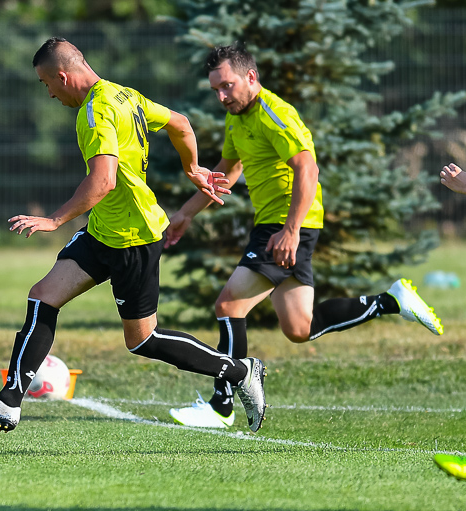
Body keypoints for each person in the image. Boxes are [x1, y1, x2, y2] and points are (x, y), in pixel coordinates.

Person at [0, 37, 267, 433]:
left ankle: (241, 371)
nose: (49, 94)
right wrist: (192, 168)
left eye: (47, 84)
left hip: (133, 237)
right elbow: (180, 123)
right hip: (104, 231)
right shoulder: (123, 94)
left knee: (142, 340)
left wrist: (55, 220)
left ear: (62, 76)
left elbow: (104, 181)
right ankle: (8, 403)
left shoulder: (95, 111)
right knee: (42, 296)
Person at [166, 44, 443, 429]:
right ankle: (391, 301)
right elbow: (227, 172)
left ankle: (221, 406)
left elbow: (308, 169)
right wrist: (185, 214)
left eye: (227, 86)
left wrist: (291, 231)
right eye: (216, 90)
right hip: (281, 224)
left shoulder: (274, 113)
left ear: (251, 77)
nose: (222, 97)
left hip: (284, 223)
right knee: (299, 328)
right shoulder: (237, 118)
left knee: (229, 307)